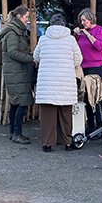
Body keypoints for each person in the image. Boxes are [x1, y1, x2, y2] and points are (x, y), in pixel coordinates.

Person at [33, 13, 82, 152]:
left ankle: (47, 144)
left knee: (48, 114)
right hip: (65, 83)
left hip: (47, 83)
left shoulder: (43, 39)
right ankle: (67, 142)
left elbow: (36, 57)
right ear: (64, 25)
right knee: (65, 114)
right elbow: (78, 60)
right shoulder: (71, 40)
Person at [0, 5, 34, 145]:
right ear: (19, 17)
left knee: (16, 103)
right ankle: (17, 134)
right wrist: (31, 59)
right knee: (22, 103)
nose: (27, 20)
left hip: (17, 72)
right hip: (16, 72)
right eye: (26, 17)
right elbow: (12, 52)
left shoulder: (16, 30)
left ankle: (13, 132)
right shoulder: (13, 32)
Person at [74, 8, 102, 77]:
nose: (82, 23)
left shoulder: (101, 30)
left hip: (96, 67)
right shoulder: (82, 32)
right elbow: (74, 46)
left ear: (91, 19)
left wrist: (88, 34)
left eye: (84, 20)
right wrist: (75, 34)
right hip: (82, 67)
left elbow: (99, 46)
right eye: (81, 21)